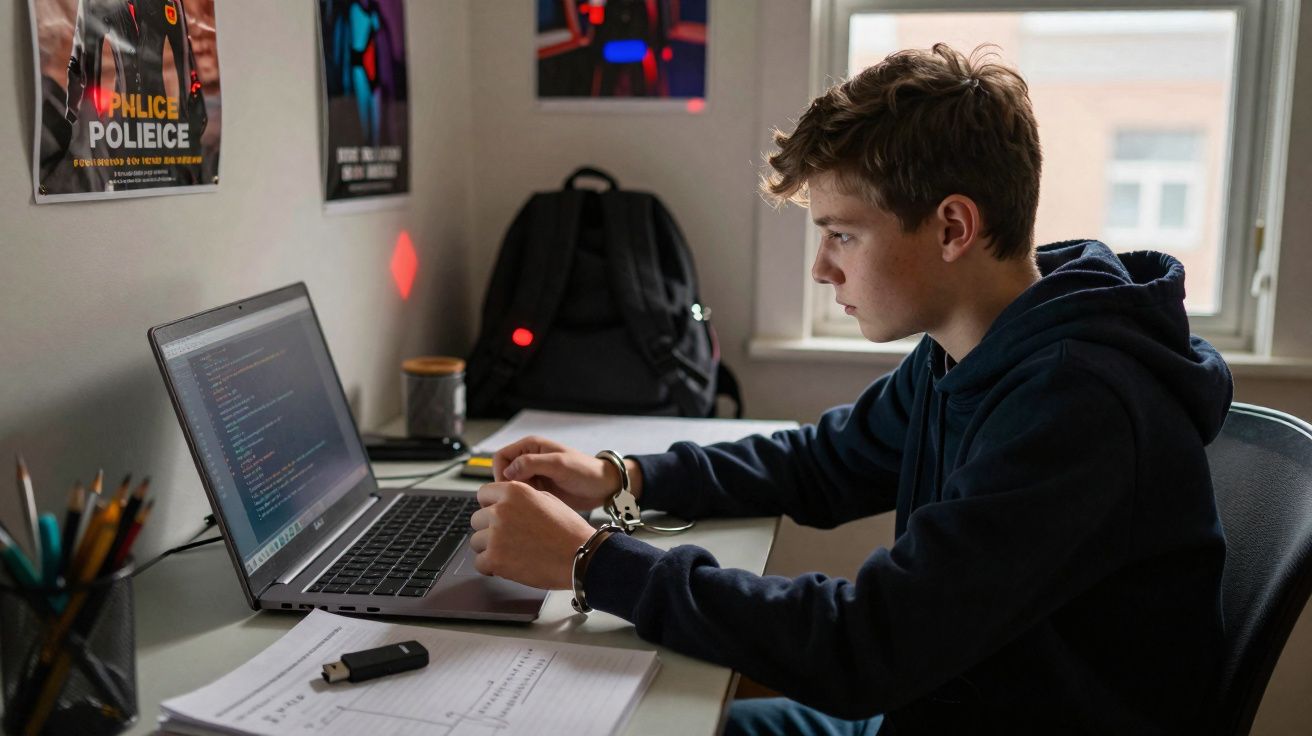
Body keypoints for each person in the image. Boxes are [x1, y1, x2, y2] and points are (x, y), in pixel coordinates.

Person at [468, 43, 1231, 734]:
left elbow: (869, 645)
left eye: (842, 234)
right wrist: (621, 477)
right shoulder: (977, 346)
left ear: (952, 228)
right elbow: (822, 462)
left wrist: (593, 563)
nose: (822, 269)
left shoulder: (1078, 406)